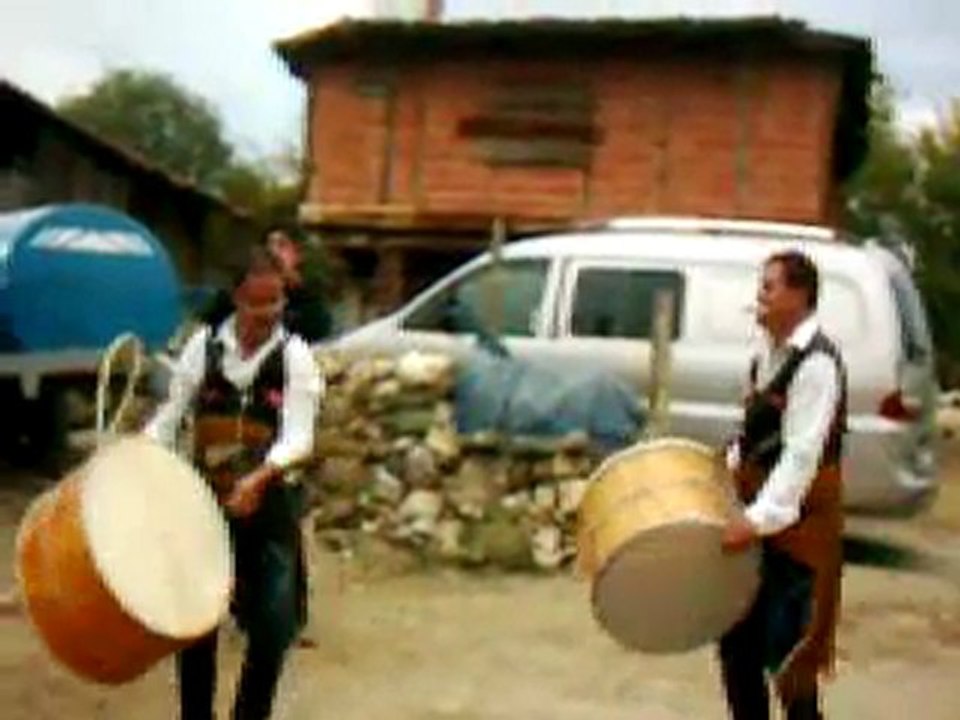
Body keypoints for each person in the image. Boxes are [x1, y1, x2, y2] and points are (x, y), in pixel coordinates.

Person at [144, 246, 324, 720]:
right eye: (258, 303)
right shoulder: (202, 349)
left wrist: (260, 479)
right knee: (196, 626)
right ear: (237, 299)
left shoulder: (295, 357)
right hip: (205, 507)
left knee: (272, 629)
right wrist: (144, 455)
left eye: (276, 302)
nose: (268, 313)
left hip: (270, 509)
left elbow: (299, 437)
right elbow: (169, 417)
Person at [719, 250, 848, 720]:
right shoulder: (764, 355)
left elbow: (801, 455)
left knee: (790, 664)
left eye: (769, 287)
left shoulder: (817, 365)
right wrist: (726, 475)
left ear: (799, 295)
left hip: (800, 534)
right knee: (737, 649)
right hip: (760, 519)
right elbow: (752, 433)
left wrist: (755, 521)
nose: (760, 295)